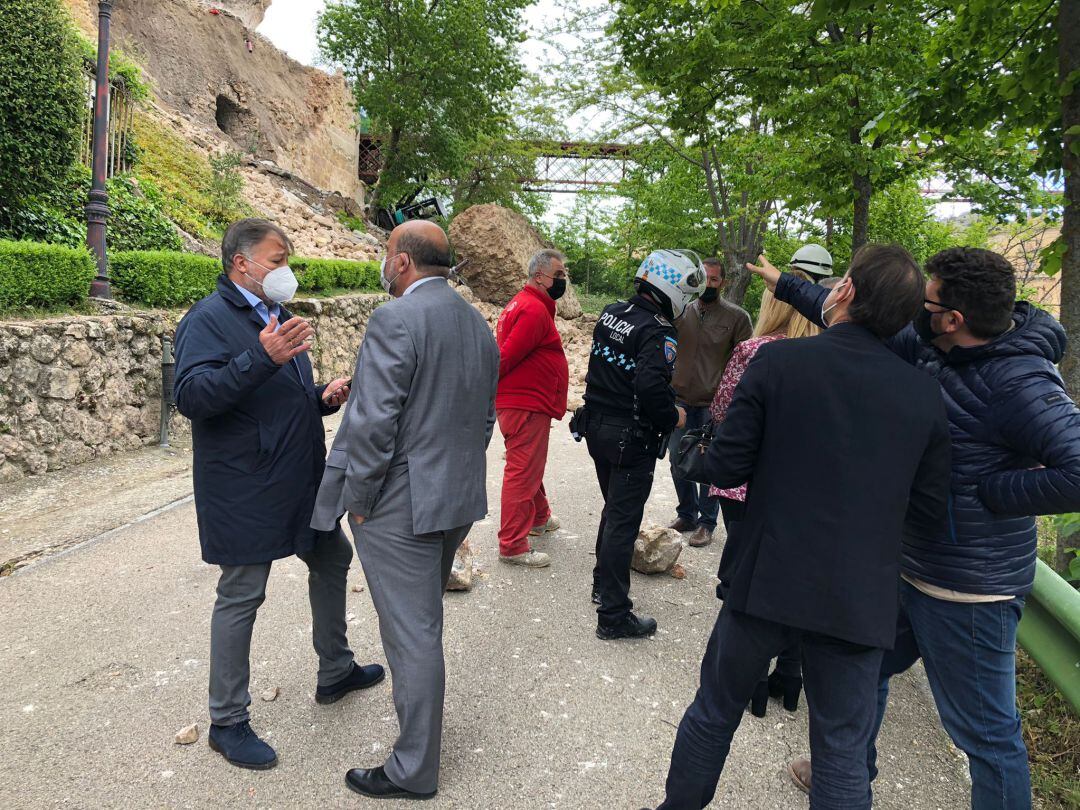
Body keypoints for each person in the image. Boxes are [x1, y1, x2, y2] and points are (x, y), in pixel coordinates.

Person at [757, 247, 1080, 809]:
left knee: (985, 734)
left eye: (924, 302)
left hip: (967, 588)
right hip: (912, 565)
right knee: (864, 675)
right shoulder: (938, 350)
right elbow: (861, 319)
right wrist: (785, 284)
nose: (913, 311)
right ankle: (847, 774)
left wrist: (992, 491)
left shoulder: (1022, 380)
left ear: (954, 318)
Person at [653, 244, 951, 810]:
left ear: (845, 292)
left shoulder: (780, 363)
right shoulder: (923, 394)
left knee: (715, 711)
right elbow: (929, 513)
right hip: (858, 597)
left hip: (768, 577)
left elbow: (727, 466)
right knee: (841, 748)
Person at [173, 218, 385, 771]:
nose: (286, 270)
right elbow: (193, 396)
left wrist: (320, 396)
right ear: (241, 263)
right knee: (243, 590)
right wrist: (259, 358)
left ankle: (335, 669)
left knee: (332, 555)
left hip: (298, 479)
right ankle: (227, 720)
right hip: (244, 484)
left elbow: (276, 395)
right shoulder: (208, 319)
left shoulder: (278, 316)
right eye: (278, 258)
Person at [311, 220, 499, 801]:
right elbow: (484, 417)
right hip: (455, 496)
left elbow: (372, 422)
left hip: (401, 503)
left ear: (401, 262)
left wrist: (359, 501)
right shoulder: (477, 324)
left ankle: (413, 768)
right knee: (424, 627)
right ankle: (418, 752)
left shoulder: (396, 317)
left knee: (413, 635)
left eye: (385, 254)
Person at [707, 277, 821, 718]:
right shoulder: (827, 357)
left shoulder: (755, 352)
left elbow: (722, 410)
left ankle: (749, 679)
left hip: (745, 485)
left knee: (745, 577)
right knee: (794, 581)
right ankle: (789, 675)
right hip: (803, 491)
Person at [580, 249, 701, 640]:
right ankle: (614, 615)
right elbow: (650, 386)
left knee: (614, 509)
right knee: (622, 520)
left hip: (597, 427)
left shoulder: (613, 312)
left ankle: (603, 583)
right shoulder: (658, 329)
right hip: (629, 437)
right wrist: (674, 415)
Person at [667, 257, 752, 548]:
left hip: (712, 405)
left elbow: (744, 363)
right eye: (705, 278)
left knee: (707, 465)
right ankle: (686, 513)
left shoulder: (737, 318)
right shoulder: (680, 311)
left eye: (715, 279)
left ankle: (706, 522)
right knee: (677, 460)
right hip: (678, 399)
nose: (709, 284)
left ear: (723, 283)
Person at [494, 249, 570, 568]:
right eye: (560, 274)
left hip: (523, 402)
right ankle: (512, 545)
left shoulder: (526, 304)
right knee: (523, 470)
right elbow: (505, 357)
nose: (563, 280)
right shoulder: (532, 309)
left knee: (529, 466)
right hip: (524, 404)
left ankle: (540, 517)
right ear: (540, 277)